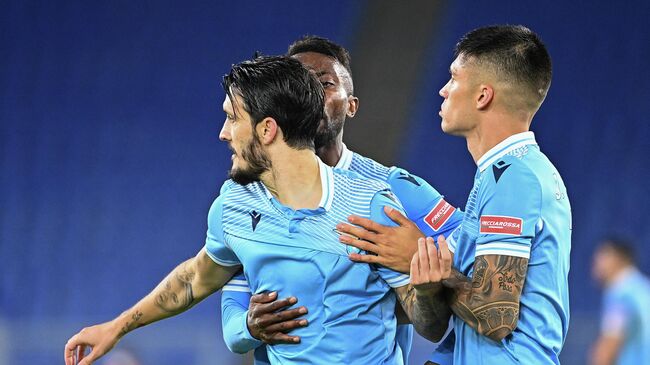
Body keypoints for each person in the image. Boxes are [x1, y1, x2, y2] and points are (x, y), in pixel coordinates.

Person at [64, 55, 451, 365]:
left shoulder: (369, 203)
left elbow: (428, 324)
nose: (223, 133)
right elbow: (195, 278)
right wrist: (115, 328)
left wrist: (429, 290)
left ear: (267, 130)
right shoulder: (233, 204)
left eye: (233, 119)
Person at [219, 36, 462, 365]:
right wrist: (246, 325)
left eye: (325, 84)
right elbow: (231, 312)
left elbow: (478, 271)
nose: (311, 96)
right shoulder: (249, 199)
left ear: (351, 105)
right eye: (299, 85)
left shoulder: (391, 188)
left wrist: (446, 355)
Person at [338, 25, 572, 364]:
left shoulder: (514, 178)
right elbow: (461, 318)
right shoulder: (509, 174)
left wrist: (416, 257)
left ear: (482, 96)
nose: (443, 91)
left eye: (454, 78)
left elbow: (497, 318)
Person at [590, 237, 650, 365]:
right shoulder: (643, 288)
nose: (596, 264)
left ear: (618, 260)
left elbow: (608, 346)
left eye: (602, 257)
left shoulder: (621, 293)